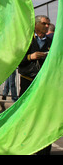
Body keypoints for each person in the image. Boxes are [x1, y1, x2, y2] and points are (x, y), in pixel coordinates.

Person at [18, 15, 52, 155]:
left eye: (48, 24)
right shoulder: (25, 39)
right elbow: (15, 60)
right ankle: (26, 145)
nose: (46, 26)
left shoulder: (52, 40)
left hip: (45, 84)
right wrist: (30, 57)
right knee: (27, 115)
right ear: (36, 24)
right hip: (28, 82)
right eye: (44, 23)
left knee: (45, 117)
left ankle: (44, 148)